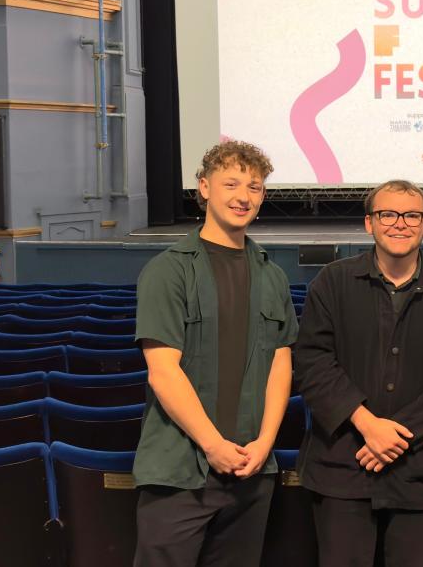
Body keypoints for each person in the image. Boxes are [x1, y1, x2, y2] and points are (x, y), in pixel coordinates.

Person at [294, 179, 423, 567]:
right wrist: (368, 424)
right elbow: (313, 362)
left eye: (412, 215)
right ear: (369, 223)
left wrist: (394, 437)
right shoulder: (331, 283)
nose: (400, 223)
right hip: (342, 467)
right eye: (388, 214)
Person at [132, 140, 297, 567]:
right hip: (181, 473)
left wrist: (264, 443)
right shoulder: (168, 271)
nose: (244, 196)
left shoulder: (272, 275)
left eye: (255, 187)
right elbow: (163, 372)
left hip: (252, 470)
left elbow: (281, 363)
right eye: (231, 183)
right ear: (204, 187)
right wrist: (213, 444)